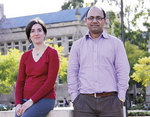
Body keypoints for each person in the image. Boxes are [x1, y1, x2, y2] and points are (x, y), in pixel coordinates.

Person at [67, 6, 130, 117]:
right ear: (86, 20)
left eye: (98, 18)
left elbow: (123, 71)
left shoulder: (116, 44)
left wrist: (121, 98)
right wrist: (75, 98)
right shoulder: (77, 46)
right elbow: (72, 73)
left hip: (111, 103)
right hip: (84, 103)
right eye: (91, 18)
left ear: (104, 21)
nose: (94, 21)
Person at [15, 18, 59, 117]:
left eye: (39, 30)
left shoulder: (52, 53)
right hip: (24, 100)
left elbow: (50, 82)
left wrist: (31, 101)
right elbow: (20, 82)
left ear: (44, 33)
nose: (36, 33)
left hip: (45, 99)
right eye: (32, 31)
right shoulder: (25, 56)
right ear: (29, 35)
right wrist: (18, 104)